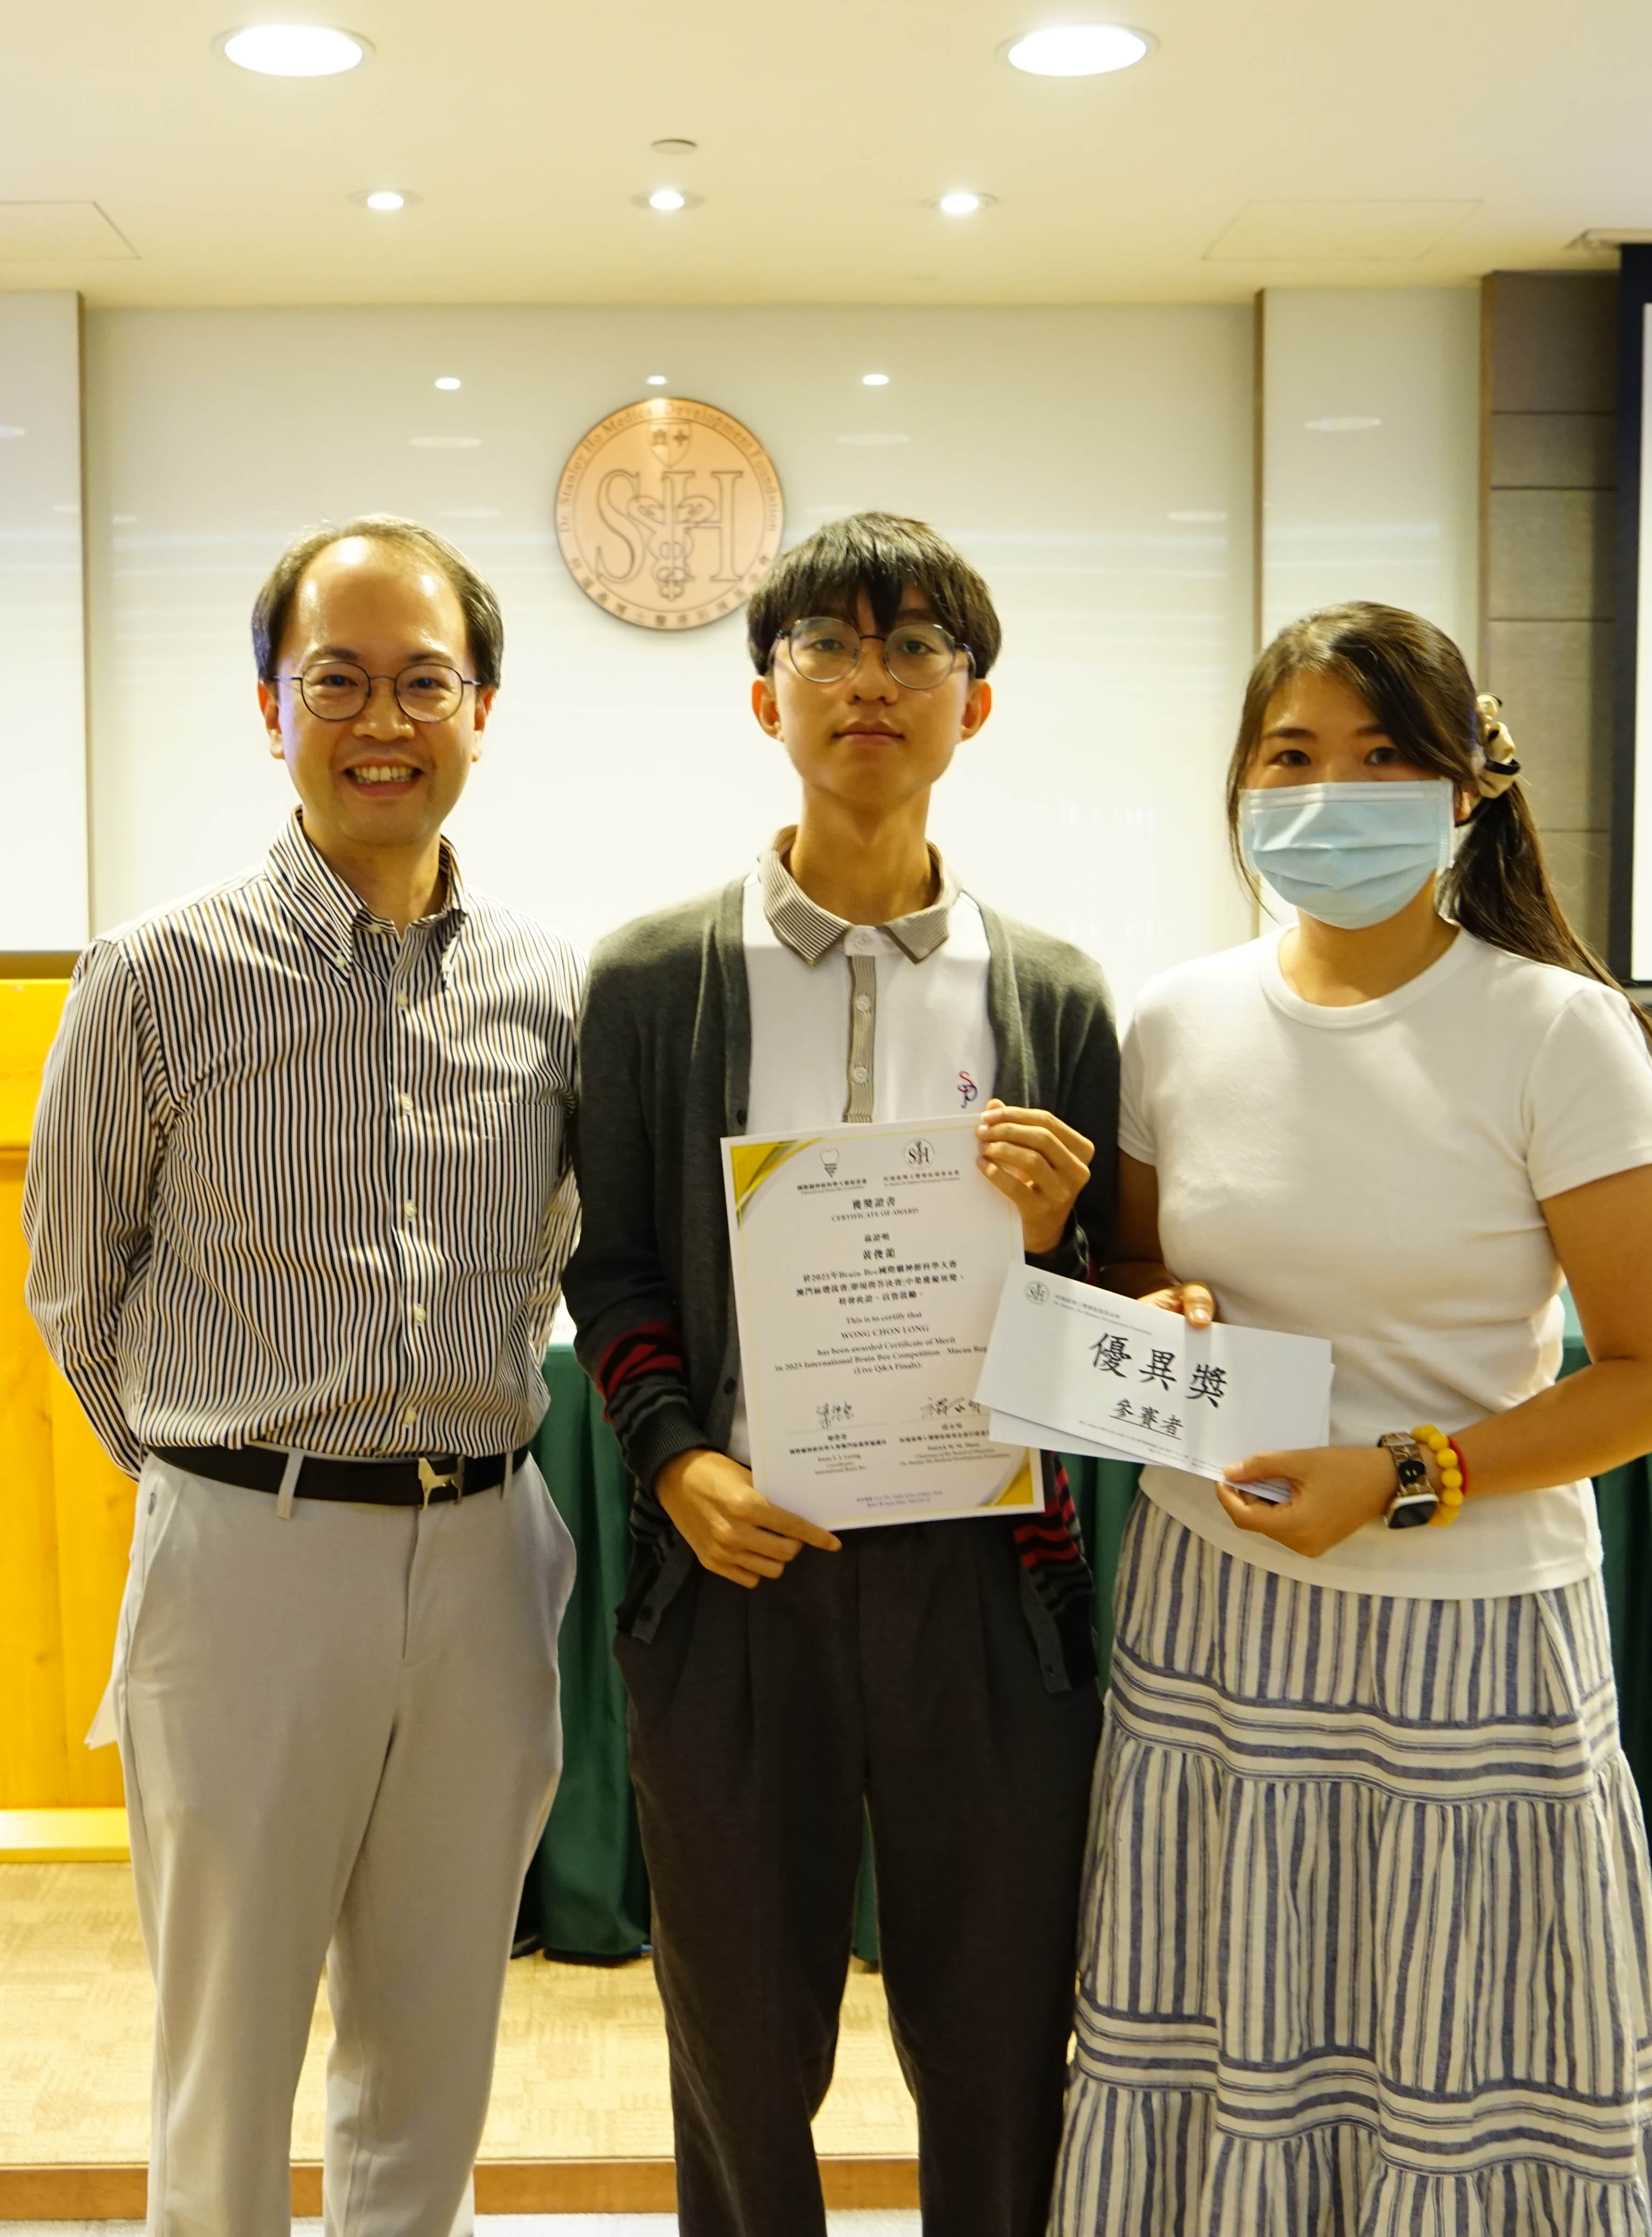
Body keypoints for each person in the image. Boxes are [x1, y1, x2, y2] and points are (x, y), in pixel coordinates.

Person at [1052, 601, 1652, 2235]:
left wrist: (1408, 1475)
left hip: (1467, 1637)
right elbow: (1138, 1266)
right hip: (1216, 1621)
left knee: (1459, 2060)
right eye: (1291, 756)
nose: (1330, 794)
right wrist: (1155, 1307)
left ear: (1467, 789)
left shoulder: (1556, 1029)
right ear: (1241, 784)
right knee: (1226, 2043)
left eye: (1382, 755)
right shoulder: (1178, 1020)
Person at [26, 515, 582, 2237]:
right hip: (244, 1562)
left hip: (484, 1555)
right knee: (229, 2047)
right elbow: (75, 1287)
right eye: (337, 680)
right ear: (270, 706)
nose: (382, 721)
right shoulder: (154, 979)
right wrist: (216, 1492)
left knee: (436, 2037)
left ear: (483, 710)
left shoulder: (552, 992)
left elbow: (571, 1247)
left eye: (425, 682)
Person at [568, 512, 1116, 2237]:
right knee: (740, 2047)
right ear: (764, 698)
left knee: (1002, 2039)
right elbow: (613, 1265)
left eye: (915, 649)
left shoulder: (1055, 995)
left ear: (976, 704)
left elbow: (1104, 1317)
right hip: (740, 1572)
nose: (870, 682)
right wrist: (677, 1462)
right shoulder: (652, 981)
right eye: (828, 647)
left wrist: (1058, 1243)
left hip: (988, 1584)